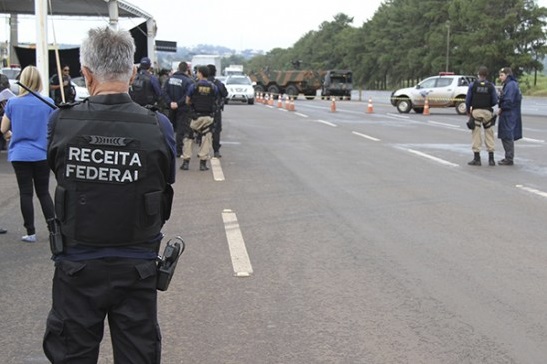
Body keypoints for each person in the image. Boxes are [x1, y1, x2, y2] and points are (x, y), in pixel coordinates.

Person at [43, 26, 176, 363]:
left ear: (86, 74)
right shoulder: (159, 126)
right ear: (132, 73)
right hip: (137, 267)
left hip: (77, 266)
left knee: (71, 354)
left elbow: (58, 169)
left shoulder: (60, 121)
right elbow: (163, 179)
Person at [0, 65, 55, 243]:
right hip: (41, 154)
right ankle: (53, 229)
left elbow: (3, 128)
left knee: (26, 193)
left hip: (19, 154)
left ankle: (30, 232)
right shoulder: (47, 103)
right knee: (44, 193)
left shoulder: (13, 103)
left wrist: (11, 135)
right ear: (39, 81)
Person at [181, 65, 218, 171]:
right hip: (208, 117)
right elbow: (215, 100)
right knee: (206, 139)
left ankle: (186, 163)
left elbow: (187, 101)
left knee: (189, 138)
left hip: (195, 117)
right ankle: (202, 164)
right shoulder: (213, 87)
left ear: (200, 73)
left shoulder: (194, 86)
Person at [465, 66, 498, 166]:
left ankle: (477, 158)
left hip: (476, 112)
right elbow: (495, 100)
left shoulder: (473, 85)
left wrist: (468, 110)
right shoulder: (491, 86)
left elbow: (468, 99)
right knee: (489, 134)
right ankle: (491, 159)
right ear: (486, 75)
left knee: (476, 134)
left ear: (478, 74)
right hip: (487, 112)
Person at [163, 61, 193, 158]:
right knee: (181, 129)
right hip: (183, 108)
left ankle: (168, 148)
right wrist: (178, 103)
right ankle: (178, 151)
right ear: (186, 70)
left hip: (171, 107)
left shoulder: (169, 79)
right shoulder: (188, 81)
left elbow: (163, 92)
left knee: (169, 127)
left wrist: (170, 102)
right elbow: (187, 95)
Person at [497, 67, 522, 166]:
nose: (500, 77)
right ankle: (508, 156)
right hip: (509, 113)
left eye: (502, 75)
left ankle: (509, 158)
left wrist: (502, 107)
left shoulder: (511, 85)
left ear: (507, 75)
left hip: (509, 114)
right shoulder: (510, 84)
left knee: (507, 136)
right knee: (506, 135)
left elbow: (508, 101)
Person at [206, 64, 228, 158]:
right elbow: (225, 93)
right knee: (216, 130)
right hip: (215, 110)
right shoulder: (218, 83)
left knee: (203, 131)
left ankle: (203, 151)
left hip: (200, 110)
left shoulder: (199, 82)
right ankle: (216, 151)